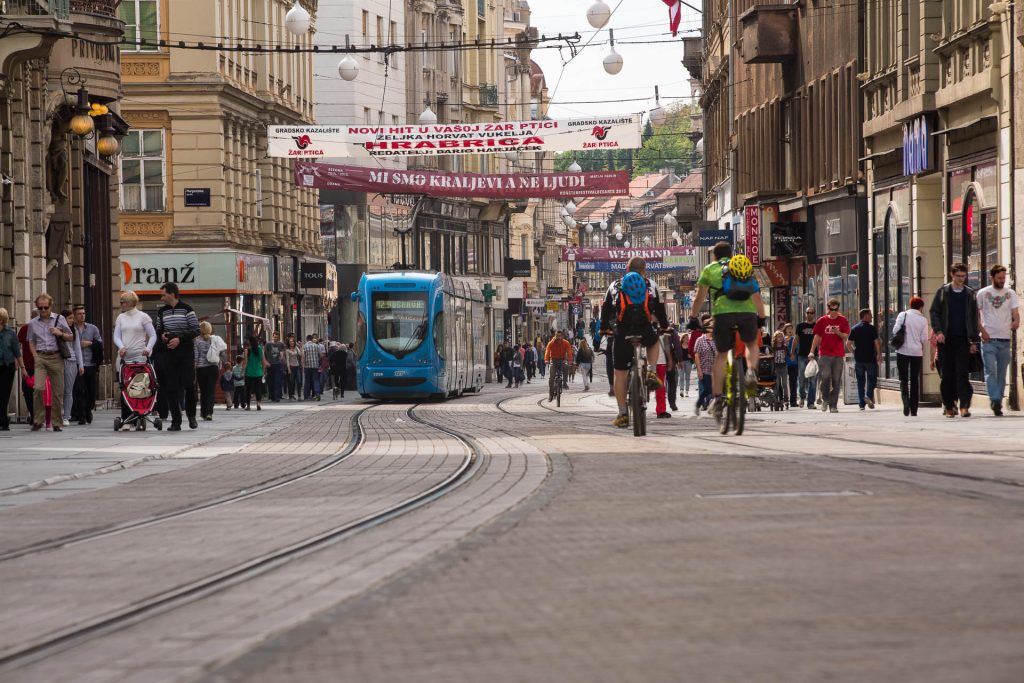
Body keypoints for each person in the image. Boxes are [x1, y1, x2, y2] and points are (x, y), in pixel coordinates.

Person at [689, 242, 766, 421]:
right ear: (731, 253)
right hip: (747, 313)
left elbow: (700, 297)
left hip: (723, 315)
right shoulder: (742, 266)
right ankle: (751, 372)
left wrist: (693, 319)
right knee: (751, 344)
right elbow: (757, 296)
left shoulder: (710, 269)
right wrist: (761, 318)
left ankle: (717, 399)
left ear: (714, 256)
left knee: (721, 355)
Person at [600, 257, 669, 428]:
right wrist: (664, 327)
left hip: (623, 331)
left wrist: (603, 328)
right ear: (644, 270)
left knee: (620, 374)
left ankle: (623, 413)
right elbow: (660, 311)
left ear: (627, 269)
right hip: (644, 329)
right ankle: (652, 371)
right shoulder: (651, 284)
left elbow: (606, 309)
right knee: (653, 343)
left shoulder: (615, 285)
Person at [929, 262, 980, 417]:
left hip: (963, 340)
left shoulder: (970, 294)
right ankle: (949, 405)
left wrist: (973, 341)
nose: (961, 279)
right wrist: (938, 332)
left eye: (963, 276)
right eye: (958, 276)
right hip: (946, 340)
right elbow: (934, 312)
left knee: (962, 373)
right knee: (947, 375)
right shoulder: (943, 292)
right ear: (952, 275)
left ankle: (964, 405)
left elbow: (973, 318)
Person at [154, 282, 200, 431]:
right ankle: (176, 421)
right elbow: (158, 330)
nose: (161, 298)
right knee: (171, 388)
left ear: (172, 294)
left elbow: (195, 330)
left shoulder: (187, 309)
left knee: (188, 385)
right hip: (169, 353)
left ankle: (191, 415)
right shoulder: (162, 312)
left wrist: (179, 339)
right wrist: (163, 336)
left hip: (185, 352)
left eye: (163, 294)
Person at [25, 293, 74, 431]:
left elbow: (71, 337)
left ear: (50, 306)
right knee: (38, 388)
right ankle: (38, 420)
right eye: (40, 308)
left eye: (46, 307)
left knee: (58, 392)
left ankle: (57, 422)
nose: (43, 311)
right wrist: (35, 356)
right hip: (41, 357)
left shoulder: (59, 319)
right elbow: (31, 341)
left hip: (56, 357)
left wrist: (60, 334)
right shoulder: (33, 323)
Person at [976, 264, 1019, 416]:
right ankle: (994, 398)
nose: (1002, 281)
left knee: (1001, 373)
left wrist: (1016, 321)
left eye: (1004, 278)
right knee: (990, 371)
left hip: (1005, 339)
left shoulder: (1011, 293)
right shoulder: (983, 293)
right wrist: (982, 331)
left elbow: (1015, 312)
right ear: (992, 277)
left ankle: (998, 401)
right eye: (999, 278)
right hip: (989, 339)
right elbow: (976, 315)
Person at [113, 291, 157, 424]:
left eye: (123, 302)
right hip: (124, 356)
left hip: (140, 356)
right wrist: (121, 347)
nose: (121, 304)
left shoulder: (143, 317)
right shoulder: (121, 317)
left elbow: (153, 335)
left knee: (139, 385)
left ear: (130, 302)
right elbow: (116, 336)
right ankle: (126, 417)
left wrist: (148, 349)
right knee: (124, 386)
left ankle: (140, 412)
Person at [808, 298, 851, 413]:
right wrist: (812, 351)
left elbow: (846, 336)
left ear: (838, 308)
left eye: (836, 309)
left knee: (836, 380)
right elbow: (817, 337)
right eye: (831, 309)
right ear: (828, 308)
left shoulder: (843, 320)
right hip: (825, 354)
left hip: (838, 354)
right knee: (825, 377)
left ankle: (833, 405)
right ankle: (825, 398)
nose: (833, 311)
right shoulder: (822, 321)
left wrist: (837, 332)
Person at [893, 296, 930, 417]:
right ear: (921, 307)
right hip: (916, 352)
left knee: (903, 379)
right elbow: (924, 339)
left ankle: (905, 403)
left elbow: (895, 330)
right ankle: (914, 409)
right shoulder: (923, 320)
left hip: (902, 350)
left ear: (910, 305)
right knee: (914, 379)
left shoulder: (903, 315)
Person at [70, 305, 102, 425]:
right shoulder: (71, 329)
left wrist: (89, 343)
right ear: (74, 315)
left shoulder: (93, 328)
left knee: (91, 391)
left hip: (90, 363)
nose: (82, 315)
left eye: (83, 313)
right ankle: (81, 414)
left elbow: (100, 344)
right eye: (79, 313)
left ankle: (88, 409)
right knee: (79, 390)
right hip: (76, 364)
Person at [847, 308, 881, 411]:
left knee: (860, 382)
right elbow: (876, 342)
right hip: (870, 358)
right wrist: (879, 354)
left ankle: (861, 404)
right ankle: (868, 396)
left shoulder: (854, 328)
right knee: (872, 380)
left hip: (859, 360)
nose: (871, 317)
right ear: (865, 316)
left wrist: (854, 352)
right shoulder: (872, 328)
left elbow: (848, 344)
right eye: (870, 315)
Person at [193, 321, 224, 421]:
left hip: (201, 369)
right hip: (213, 368)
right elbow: (222, 354)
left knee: (203, 391)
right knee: (211, 391)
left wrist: (194, 368)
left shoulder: (196, 341)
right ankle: (209, 413)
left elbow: (196, 356)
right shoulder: (215, 339)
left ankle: (203, 412)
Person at [0, 308, 24, 431]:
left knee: (4, 394)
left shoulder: (11, 333)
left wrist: (23, 368)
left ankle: (3, 420)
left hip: (7, 367)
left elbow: (17, 352)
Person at [59, 309, 84, 426]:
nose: (72, 320)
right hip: (58, 360)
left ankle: (66, 416)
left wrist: (81, 364)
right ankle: (58, 413)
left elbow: (78, 348)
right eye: (69, 318)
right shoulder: (58, 330)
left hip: (72, 361)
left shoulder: (74, 330)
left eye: (72, 318)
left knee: (68, 390)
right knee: (58, 389)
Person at [794, 307, 817, 408]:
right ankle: (802, 397)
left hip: (814, 356)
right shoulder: (800, 326)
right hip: (802, 355)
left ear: (814, 314)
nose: (810, 314)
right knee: (802, 378)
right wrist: (792, 352)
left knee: (813, 380)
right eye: (808, 312)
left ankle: (811, 402)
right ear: (805, 313)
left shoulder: (817, 326)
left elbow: (820, 339)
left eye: (811, 313)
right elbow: (796, 339)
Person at [693, 322, 716, 415]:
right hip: (704, 369)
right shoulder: (700, 340)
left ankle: (713, 406)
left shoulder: (717, 340)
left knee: (716, 390)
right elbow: (697, 356)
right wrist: (699, 370)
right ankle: (699, 404)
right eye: (711, 327)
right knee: (707, 389)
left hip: (715, 370)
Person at [544, 330, 574, 402]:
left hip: (562, 360)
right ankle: (551, 395)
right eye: (557, 336)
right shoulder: (551, 343)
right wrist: (546, 360)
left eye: (560, 336)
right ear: (555, 336)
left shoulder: (566, 343)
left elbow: (569, 352)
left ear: (562, 336)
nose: (558, 337)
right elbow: (547, 351)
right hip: (553, 360)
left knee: (566, 366)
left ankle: (564, 383)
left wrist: (570, 361)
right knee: (551, 379)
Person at [242, 334, 267, 410]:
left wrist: (242, 372)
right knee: (258, 389)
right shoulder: (260, 349)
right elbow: (263, 361)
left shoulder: (247, 350)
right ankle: (258, 404)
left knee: (248, 389)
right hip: (258, 372)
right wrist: (263, 371)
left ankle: (248, 405)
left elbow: (245, 362)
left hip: (249, 373)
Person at [302, 334, 325, 401]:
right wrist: (317, 358)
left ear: (306, 339)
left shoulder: (304, 346)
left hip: (307, 366)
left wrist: (303, 366)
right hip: (315, 365)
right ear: (312, 339)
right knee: (316, 380)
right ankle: (317, 395)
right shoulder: (316, 346)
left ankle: (306, 396)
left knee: (307, 381)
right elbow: (321, 355)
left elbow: (303, 357)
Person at [654, 332, 672, 418]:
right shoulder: (662, 328)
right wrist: (670, 360)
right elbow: (667, 348)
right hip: (660, 361)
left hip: (648, 362)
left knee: (660, 387)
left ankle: (661, 409)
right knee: (660, 386)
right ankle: (661, 410)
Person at [265, 331, 286, 402]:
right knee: (270, 381)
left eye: (277, 337)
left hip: (278, 364)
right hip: (270, 364)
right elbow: (264, 353)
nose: (275, 338)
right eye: (274, 337)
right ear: (272, 337)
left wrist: (282, 359)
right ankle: (271, 396)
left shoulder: (281, 344)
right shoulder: (268, 344)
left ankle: (277, 396)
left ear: (278, 337)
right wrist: (266, 362)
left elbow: (283, 352)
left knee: (277, 381)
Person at [771, 328, 789, 406]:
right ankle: (776, 398)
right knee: (777, 384)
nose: (780, 338)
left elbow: (788, 355)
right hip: (776, 367)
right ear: (775, 338)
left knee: (785, 384)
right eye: (778, 337)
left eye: (781, 337)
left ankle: (786, 399)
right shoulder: (773, 347)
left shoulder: (785, 347)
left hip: (784, 367)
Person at [784, 323, 799, 407]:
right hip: (783, 363)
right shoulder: (781, 338)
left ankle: (793, 401)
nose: (790, 330)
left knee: (793, 382)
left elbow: (798, 349)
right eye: (788, 328)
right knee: (783, 382)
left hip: (793, 363)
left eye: (791, 328)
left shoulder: (794, 339)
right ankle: (783, 399)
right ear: (785, 330)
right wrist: (784, 342)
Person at [284, 335, 302, 400]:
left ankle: (299, 396)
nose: (292, 342)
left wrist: (300, 347)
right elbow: (287, 360)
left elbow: (300, 354)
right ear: (288, 342)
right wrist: (288, 368)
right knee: (292, 382)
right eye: (290, 341)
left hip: (297, 367)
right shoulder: (287, 350)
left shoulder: (296, 348)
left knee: (299, 381)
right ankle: (291, 394)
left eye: (293, 341)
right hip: (291, 367)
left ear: (294, 342)